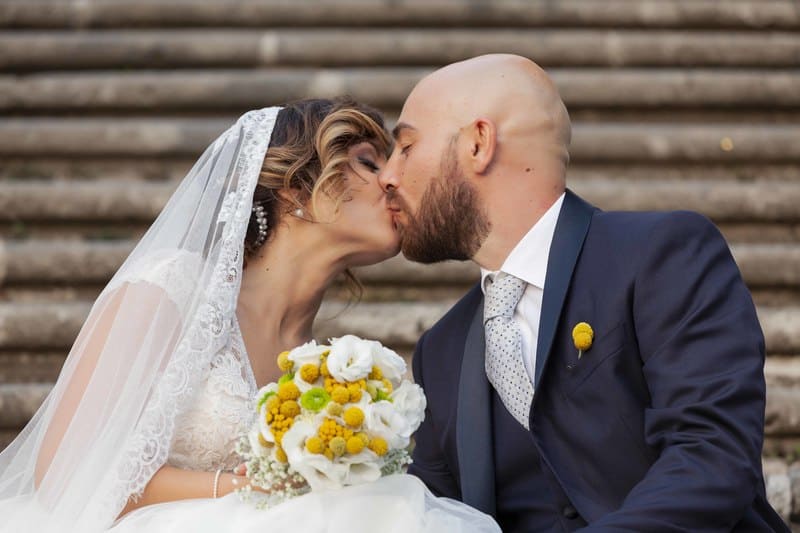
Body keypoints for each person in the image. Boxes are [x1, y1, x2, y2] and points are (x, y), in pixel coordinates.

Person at [0, 98, 500, 533]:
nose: (393, 181)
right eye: (368, 163)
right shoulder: (170, 289)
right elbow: (65, 474)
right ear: (292, 187)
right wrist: (257, 487)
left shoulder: (324, 366)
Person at [379, 54, 789, 531]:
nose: (388, 175)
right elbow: (438, 514)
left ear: (478, 144)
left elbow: (711, 456)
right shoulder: (442, 351)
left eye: (405, 146)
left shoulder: (661, 254)